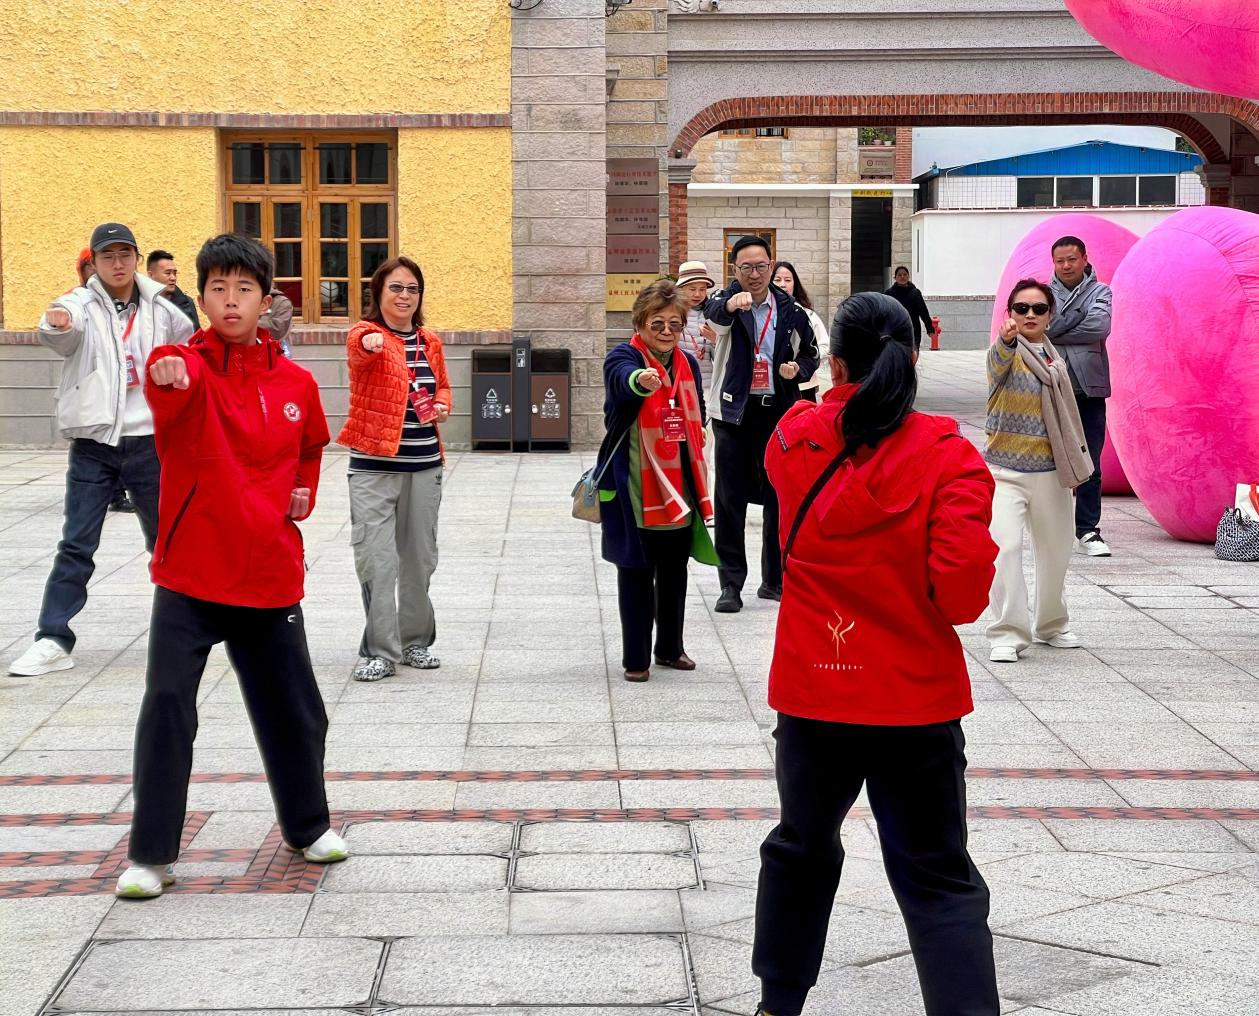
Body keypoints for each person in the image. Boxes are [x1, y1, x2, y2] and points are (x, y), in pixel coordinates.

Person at [753, 292, 1000, 1016]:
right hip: (912, 700)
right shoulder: (948, 458)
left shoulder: (794, 437)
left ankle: (778, 1004)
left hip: (813, 691)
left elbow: (791, 475)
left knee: (801, 846)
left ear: (833, 362)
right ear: (914, 358)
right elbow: (960, 598)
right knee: (935, 874)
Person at [116, 233, 344, 898]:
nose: (231, 300)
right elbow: (167, 375)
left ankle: (308, 827)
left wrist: (304, 486)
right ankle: (150, 856)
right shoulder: (186, 367)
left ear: (266, 299)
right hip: (191, 572)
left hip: (267, 569)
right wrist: (165, 367)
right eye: (218, 288)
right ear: (204, 297)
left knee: (297, 712)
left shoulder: (295, 381)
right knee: (166, 705)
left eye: (244, 289)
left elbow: (311, 445)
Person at [7, 223, 195, 678]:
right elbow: (60, 333)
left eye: (125, 255)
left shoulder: (160, 306)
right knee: (77, 543)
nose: (117, 264)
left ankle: (188, 630)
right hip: (95, 444)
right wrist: (57, 324)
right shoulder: (80, 303)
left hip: (150, 441)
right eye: (107, 256)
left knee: (167, 542)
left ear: (135, 258)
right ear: (94, 261)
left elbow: (188, 346)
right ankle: (52, 638)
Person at [337, 256, 451, 682]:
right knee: (377, 561)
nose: (404, 296)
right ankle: (380, 651)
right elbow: (359, 351)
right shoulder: (365, 335)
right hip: (372, 468)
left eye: (412, 289)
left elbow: (441, 386)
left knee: (420, 560)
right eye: (396, 288)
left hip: (424, 467)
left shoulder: (430, 342)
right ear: (379, 293)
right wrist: (370, 344)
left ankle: (415, 641)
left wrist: (441, 405)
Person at [597, 280, 716, 681]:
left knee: (674, 571)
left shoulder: (687, 364)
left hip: (680, 484)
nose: (666, 331)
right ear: (641, 323)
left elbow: (695, 408)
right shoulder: (623, 356)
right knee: (634, 569)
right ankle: (636, 659)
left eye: (673, 324)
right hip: (635, 484)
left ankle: (669, 648)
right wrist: (640, 381)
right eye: (657, 323)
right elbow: (621, 378)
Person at [704, 236, 817, 613]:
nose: (754, 274)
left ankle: (774, 581)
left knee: (777, 499)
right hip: (734, 414)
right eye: (745, 268)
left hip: (776, 413)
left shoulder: (790, 310)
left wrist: (797, 369)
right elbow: (714, 318)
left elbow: (812, 353)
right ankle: (730, 584)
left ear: (772, 266)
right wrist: (730, 306)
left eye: (761, 266)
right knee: (729, 499)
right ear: (734, 270)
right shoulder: (725, 303)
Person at [986, 279, 1093, 665]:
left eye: (1038, 309)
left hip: (1051, 471)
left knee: (1055, 552)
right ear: (1009, 313)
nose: (1029, 315)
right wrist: (1006, 341)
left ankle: (1051, 624)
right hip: (1005, 471)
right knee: (1005, 549)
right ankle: (1008, 633)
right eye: (1021, 308)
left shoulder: (1053, 357)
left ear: (1050, 315)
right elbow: (996, 364)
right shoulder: (1006, 350)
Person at [1044, 236, 1113, 558]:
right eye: (1060, 261)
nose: (1066, 266)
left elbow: (1099, 327)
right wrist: (1073, 320)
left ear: (1085, 258)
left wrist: (1057, 329)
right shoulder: (1043, 294)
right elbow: (1042, 328)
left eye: (1072, 259)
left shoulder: (1101, 291)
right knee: (1046, 461)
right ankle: (1051, 528)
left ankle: (1088, 530)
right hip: (1050, 387)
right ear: (1053, 263)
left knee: (1090, 463)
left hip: (1088, 389)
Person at [771, 261, 831, 401]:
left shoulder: (807, 314)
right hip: (771, 386)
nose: (782, 284)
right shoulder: (761, 314)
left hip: (803, 386)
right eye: (777, 280)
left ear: (794, 284)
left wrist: (801, 363)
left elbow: (824, 346)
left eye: (788, 280)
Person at [675, 260, 717, 398]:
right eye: (692, 289)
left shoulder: (711, 315)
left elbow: (721, 359)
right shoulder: (671, 314)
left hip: (706, 388)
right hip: (676, 385)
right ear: (680, 289)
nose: (698, 294)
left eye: (702, 289)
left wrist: (715, 340)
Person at [146, 249, 200, 331]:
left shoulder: (187, 303)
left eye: (174, 273)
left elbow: (197, 339)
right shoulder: (141, 304)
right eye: (168, 273)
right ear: (151, 275)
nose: (173, 278)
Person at [885, 266, 934, 349]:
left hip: (913, 330)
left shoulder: (915, 293)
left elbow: (923, 312)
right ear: (895, 277)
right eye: (899, 275)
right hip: (895, 331)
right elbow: (884, 312)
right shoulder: (889, 294)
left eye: (905, 274)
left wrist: (929, 327)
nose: (902, 277)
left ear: (908, 276)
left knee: (911, 356)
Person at [260, 284, 295, 358]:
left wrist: (248, 322)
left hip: (274, 353)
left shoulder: (281, 302)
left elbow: (278, 330)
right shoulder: (244, 299)